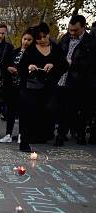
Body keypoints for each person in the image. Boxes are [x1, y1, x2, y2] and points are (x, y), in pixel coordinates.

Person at [19, 23, 68, 152]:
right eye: (38, 38)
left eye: (44, 37)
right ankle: (24, 141)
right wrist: (29, 67)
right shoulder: (31, 49)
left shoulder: (56, 49)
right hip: (31, 86)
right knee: (28, 112)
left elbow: (64, 65)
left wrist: (53, 66)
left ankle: (40, 135)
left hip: (49, 86)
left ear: (48, 35)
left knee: (47, 110)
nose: (41, 40)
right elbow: (21, 67)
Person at [55, 15, 95, 146]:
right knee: (62, 109)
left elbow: (91, 64)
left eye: (75, 30)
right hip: (62, 79)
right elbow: (57, 54)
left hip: (80, 81)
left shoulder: (91, 42)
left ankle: (80, 134)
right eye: (70, 30)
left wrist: (73, 63)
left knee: (80, 110)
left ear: (83, 27)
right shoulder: (65, 38)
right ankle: (60, 136)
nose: (72, 33)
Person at [0, 29, 34, 143]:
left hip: (24, 86)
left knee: (23, 111)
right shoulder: (14, 51)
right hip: (11, 85)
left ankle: (21, 135)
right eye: (25, 39)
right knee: (10, 111)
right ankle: (8, 134)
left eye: (29, 40)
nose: (26, 42)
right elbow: (5, 64)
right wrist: (8, 68)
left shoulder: (33, 54)